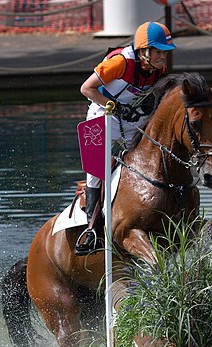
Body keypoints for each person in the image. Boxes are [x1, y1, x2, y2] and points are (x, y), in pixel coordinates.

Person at [75, 21, 177, 256]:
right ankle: (91, 227)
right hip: (101, 114)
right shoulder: (120, 63)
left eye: (165, 52)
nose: (163, 57)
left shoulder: (156, 69)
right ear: (143, 51)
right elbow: (86, 88)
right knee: (95, 168)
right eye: (159, 52)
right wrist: (115, 106)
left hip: (131, 119)